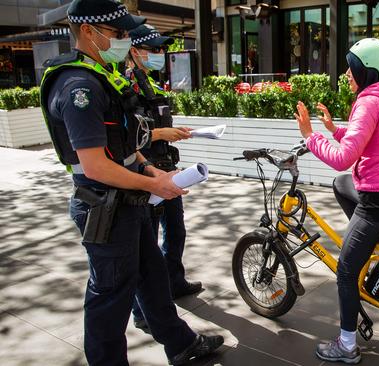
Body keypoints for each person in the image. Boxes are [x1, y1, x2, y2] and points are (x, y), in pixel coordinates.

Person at [39, 0, 222, 364]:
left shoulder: (101, 76)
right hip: (104, 203)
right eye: (119, 33)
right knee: (110, 295)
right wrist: (153, 185)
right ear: (88, 33)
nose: (126, 39)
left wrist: (150, 171)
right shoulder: (79, 87)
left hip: (128, 197)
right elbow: (95, 166)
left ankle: (181, 344)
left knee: (152, 275)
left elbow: (123, 143)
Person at [294, 38, 379, 364]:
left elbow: (343, 157)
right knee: (341, 184)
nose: (347, 73)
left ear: (368, 72)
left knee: (346, 271)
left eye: (353, 67)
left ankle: (346, 346)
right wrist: (333, 129)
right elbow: (365, 139)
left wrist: (310, 136)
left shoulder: (368, 103)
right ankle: (369, 240)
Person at [125, 24, 202, 334]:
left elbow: (155, 125)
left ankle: (175, 282)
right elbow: (123, 137)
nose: (160, 54)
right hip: (146, 174)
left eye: (162, 49)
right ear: (135, 50)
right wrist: (159, 133)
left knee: (176, 229)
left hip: (168, 169)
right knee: (148, 244)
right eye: (154, 49)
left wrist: (173, 132)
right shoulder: (126, 87)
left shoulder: (152, 85)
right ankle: (143, 310)